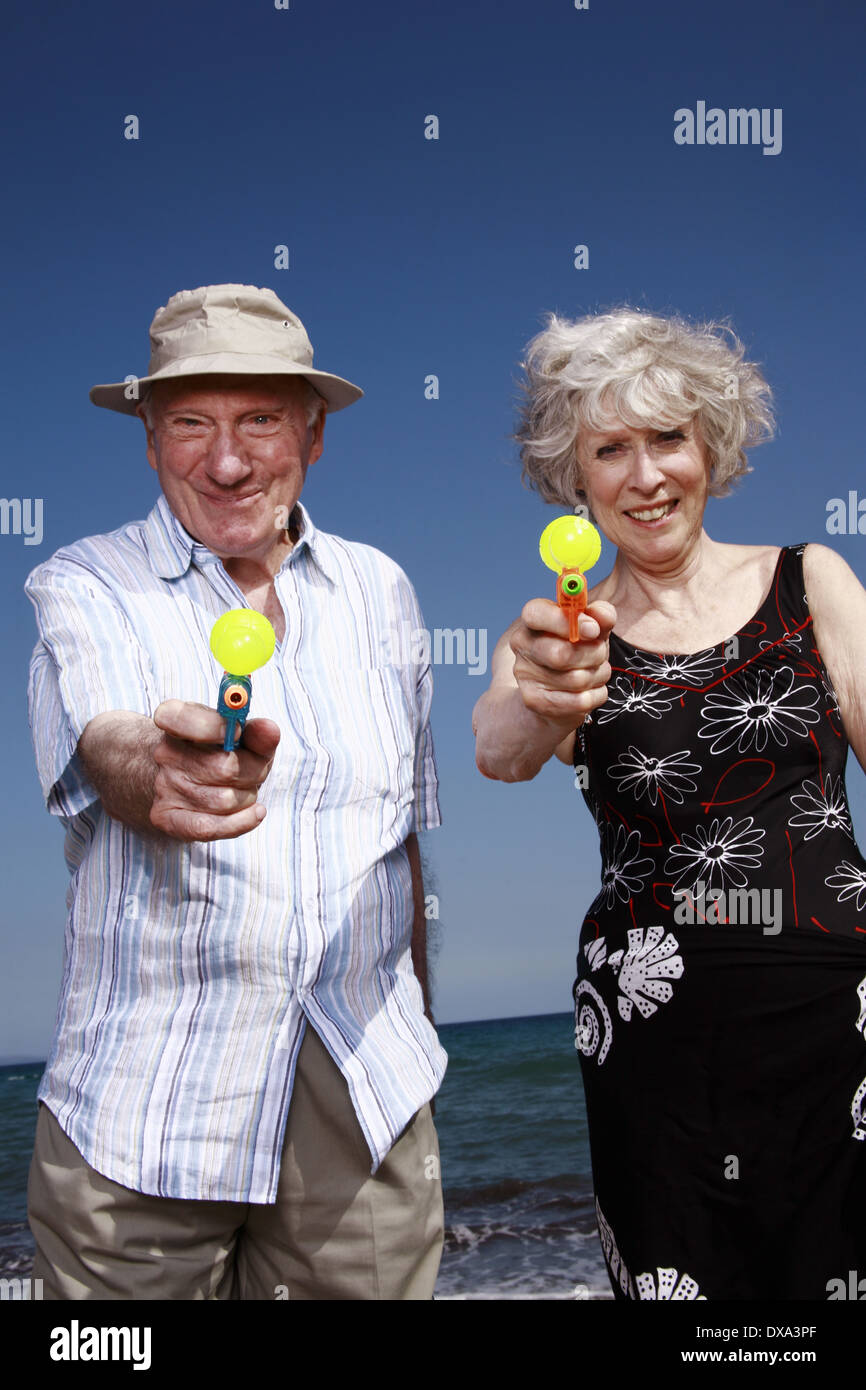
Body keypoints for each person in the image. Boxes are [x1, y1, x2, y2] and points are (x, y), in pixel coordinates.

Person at [24, 283, 446, 1300]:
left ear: (312, 434)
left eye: (259, 419)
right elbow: (110, 746)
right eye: (190, 425)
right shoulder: (82, 584)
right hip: (144, 1109)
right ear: (148, 440)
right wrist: (163, 770)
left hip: (364, 1096)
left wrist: (416, 1035)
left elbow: (404, 844)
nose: (225, 460)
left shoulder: (383, 590)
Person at [473, 307, 866, 1300]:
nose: (644, 476)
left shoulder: (807, 580)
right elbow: (498, 749)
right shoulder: (562, 635)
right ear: (573, 478)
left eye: (666, 440)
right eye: (610, 449)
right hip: (653, 1037)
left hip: (836, 1018)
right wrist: (543, 689)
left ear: (709, 448)